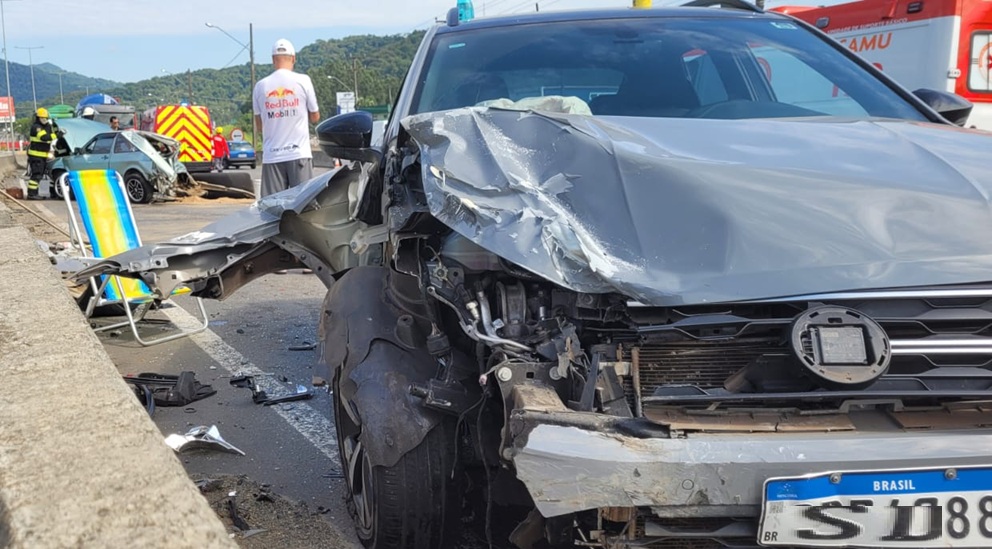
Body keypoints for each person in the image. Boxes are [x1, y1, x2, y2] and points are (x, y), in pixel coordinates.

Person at [252, 38, 320, 197]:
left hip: (272, 156)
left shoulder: (260, 86)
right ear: (293, 58)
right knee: (303, 204)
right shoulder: (303, 81)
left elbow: (260, 126)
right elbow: (315, 116)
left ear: (273, 60)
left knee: (273, 205)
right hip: (299, 154)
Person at [27, 108, 59, 200]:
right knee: (36, 175)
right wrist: (56, 135)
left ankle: (34, 193)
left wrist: (56, 129)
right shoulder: (36, 127)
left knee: (39, 175)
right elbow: (44, 137)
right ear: (38, 118)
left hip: (42, 155)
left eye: (46, 118)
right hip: (36, 156)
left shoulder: (47, 126)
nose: (45, 120)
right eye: (43, 118)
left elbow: (51, 133)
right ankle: (32, 194)